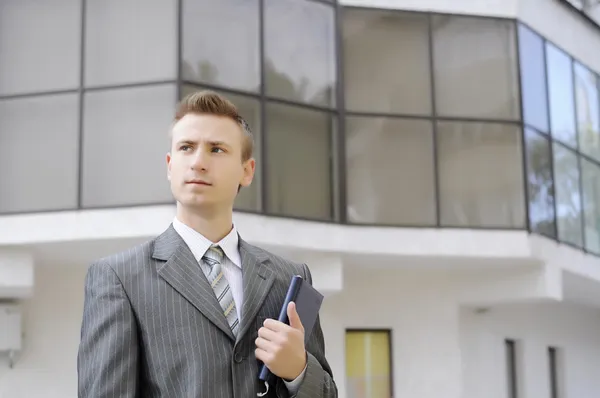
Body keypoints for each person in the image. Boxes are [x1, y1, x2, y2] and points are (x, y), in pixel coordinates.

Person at [76, 90, 338, 398]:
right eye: (187, 147)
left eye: (216, 149)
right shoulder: (119, 279)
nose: (198, 162)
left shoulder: (291, 279)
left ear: (247, 170)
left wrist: (299, 371)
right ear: (170, 165)